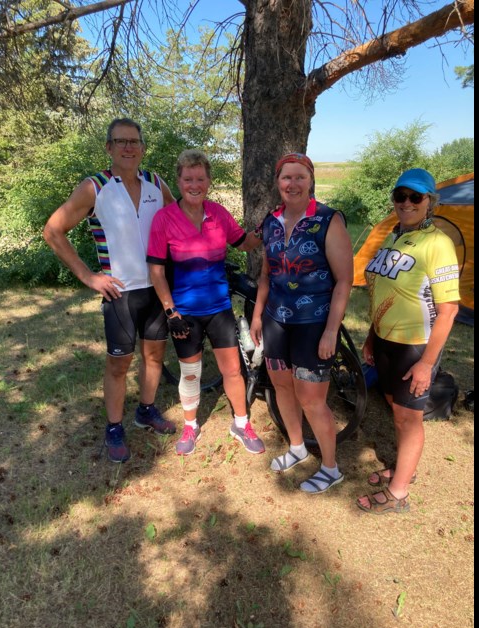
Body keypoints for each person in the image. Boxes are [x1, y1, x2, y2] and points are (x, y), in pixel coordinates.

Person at [42, 118, 178, 464]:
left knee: (154, 357)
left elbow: (178, 220)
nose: (129, 147)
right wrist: (89, 276)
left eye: (134, 141)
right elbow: (53, 231)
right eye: (121, 141)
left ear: (143, 147)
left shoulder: (155, 183)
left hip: (157, 288)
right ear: (109, 147)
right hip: (120, 293)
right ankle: (114, 427)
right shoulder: (95, 187)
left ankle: (145, 410)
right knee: (119, 363)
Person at [356, 168, 460, 514]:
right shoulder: (392, 235)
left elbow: (448, 311)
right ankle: (403, 468)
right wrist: (372, 336)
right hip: (386, 340)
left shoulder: (438, 243)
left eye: (416, 197)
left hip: (415, 345)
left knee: (407, 418)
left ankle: (399, 493)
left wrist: (427, 364)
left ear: (431, 202)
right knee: (395, 408)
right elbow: (384, 290)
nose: (407, 203)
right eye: (401, 196)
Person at [249, 152, 354, 493]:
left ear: (310, 181)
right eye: (286, 178)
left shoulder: (328, 220)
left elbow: (344, 281)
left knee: (312, 399)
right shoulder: (270, 222)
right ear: (277, 183)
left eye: (299, 177)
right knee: (281, 387)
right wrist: (257, 316)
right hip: (276, 321)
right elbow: (266, 275)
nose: (292, 184)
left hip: (314, 324)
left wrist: (331, 331)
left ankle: (330, 467)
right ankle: (296, 447)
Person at [146, 150, 263, 455]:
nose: (194, 184)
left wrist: (270, 227)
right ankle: (190, 427)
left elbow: (245, 242)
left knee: (233, 371)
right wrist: (171, 312)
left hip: (219, 309)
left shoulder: (219, 214)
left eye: (200, 178)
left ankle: (240, 424)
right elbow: (156, 271)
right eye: (188, 179)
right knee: (190, 373)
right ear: (179, 181)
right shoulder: (164, 218)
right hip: (184, 313)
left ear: (208, 181)